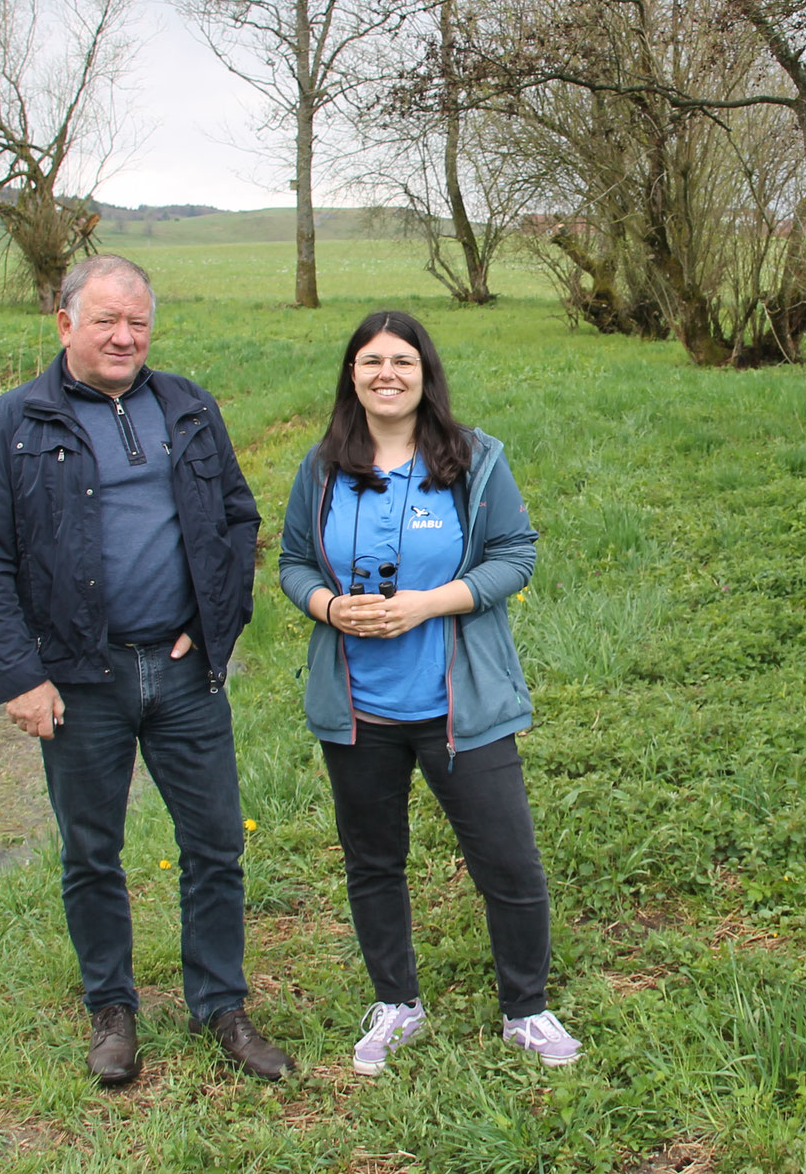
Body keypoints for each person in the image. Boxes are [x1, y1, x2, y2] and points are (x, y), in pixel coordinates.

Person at [0, 253, 291, 1087]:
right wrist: (18, 675)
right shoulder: (17, 421)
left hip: (182, 676)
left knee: (215, 844)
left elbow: (239, 520)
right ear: (65, 322)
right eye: (105, 319)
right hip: (79, 680)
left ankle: (221, 1004)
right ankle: (112, 1008)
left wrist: (215, 622)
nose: (123, 335)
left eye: (137, 321)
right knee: (91, 851)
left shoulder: (187, 406)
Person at [278, 310, 581, 1075]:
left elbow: (517, 554)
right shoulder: (322, 468)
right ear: (352, 373)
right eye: (372, 359)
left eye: (402, 360)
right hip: (358, 712)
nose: (387, 372)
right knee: (373, 861)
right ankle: (397, 1003)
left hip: (460, 706)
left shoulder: (475, 459)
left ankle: (527, 1007)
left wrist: (429, 601)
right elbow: (291, 563)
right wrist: (327, 606)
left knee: (509, 863)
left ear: (425, 373)